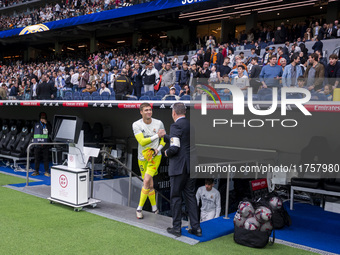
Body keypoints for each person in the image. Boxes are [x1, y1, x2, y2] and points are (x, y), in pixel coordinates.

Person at [164, 102, 202, 237]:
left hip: (179, 167)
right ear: (184, 112)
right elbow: (183, 141)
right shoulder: (190, 125)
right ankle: (196, 228)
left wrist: (166, 153)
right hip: (191, 166)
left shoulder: (175, 125)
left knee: (175, 197)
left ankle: (176, 228)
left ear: (174, 113)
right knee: (190, 196)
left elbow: (175, 148)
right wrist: (165, 136)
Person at [132, 103, 166, 219]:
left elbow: (164, 140)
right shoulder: (136, 124)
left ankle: (139, 208)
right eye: (146, 110)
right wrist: (156, 135)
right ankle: (154, 208)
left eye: (150, 110)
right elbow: (142, 141)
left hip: (155, 157)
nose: (149, 112)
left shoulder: (159, 123)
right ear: (141, 112)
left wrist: (158, 149)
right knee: (150, 184)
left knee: (146, 181)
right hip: (142, 157)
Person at [32, 112, 52, 177]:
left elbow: (51, 131)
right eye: (41, 118)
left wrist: (47, 123)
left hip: (45, 145)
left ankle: (46, 171)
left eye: (44, 118)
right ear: (39, 118)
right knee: (36, 159)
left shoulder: (48, 124)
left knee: (46, 159)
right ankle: (36, 171)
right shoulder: (36, 124)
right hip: (37, 144)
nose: (42, 119)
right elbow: (33, 133)